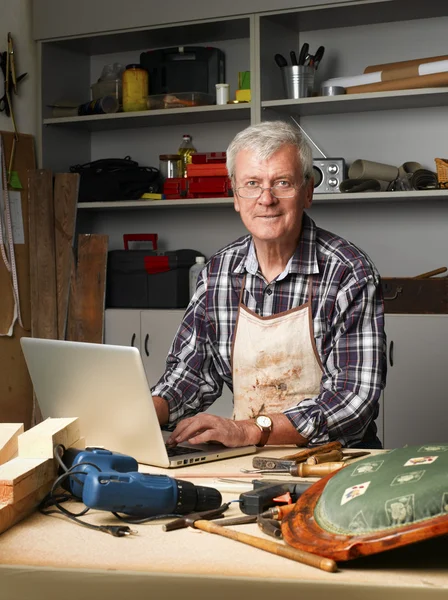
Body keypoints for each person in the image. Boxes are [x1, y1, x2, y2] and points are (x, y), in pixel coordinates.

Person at [152, 120, 387, 449]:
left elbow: (352, 401)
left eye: (282, 183)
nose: (266, 199)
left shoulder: (349, 273)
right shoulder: (218, 273)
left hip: (335, 463)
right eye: (252, 183)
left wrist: (251, 430)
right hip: (247, 460)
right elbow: (191, 374)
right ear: (235, 195)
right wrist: (148, 410)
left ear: (307, 192)